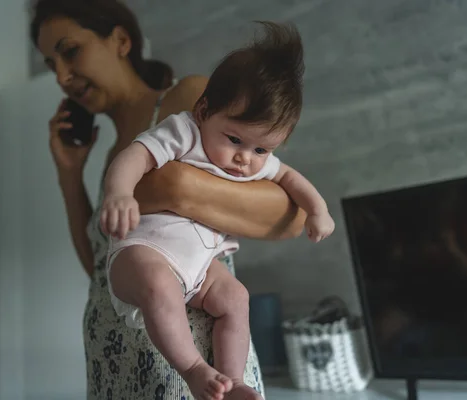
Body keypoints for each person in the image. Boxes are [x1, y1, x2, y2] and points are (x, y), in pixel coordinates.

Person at [30, 0, 307, 398]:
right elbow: (98, 266)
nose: (61, 75)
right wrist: (69, 175)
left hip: (196, 369)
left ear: (121, 40)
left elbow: (291, 216)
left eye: (70, 51)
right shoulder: (114, 158)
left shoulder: (187, 103)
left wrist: (174, 185)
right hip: (112, 361)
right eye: (49, 64)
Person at [100, 22, 334, 400]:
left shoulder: (256, 156)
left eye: (262, 150)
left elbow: (290, 178)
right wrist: (118, 193)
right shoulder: (185, 132)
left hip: (199, 270)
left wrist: (318, 208)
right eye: (235, 139)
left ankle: (233, 380)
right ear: (204, 110)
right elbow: (136, 155)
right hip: (142, 253)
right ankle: (194, 369)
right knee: (160, 287)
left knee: (236, 298)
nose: (245, 159)